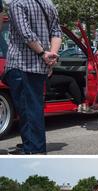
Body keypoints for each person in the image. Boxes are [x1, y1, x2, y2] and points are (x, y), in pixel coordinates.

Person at [4, 0, 62, 155]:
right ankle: (29, 144)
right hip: (40, 67)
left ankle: (34, 149)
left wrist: (43, 54)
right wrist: (51, 56)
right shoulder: (48, 4)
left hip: (22, 64)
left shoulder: (17, 4)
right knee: (32, 108)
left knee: (28, 110)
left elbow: (26, 34)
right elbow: (57, 32)